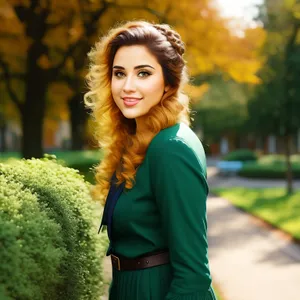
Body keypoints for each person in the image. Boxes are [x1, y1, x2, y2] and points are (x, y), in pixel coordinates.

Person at [84, 20, 217, 300]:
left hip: (158, 290)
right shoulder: (137, 142)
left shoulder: (171, 148)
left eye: (143, 73)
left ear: (169, 84)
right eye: (119, 74)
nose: (127, 86)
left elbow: (194, 276)